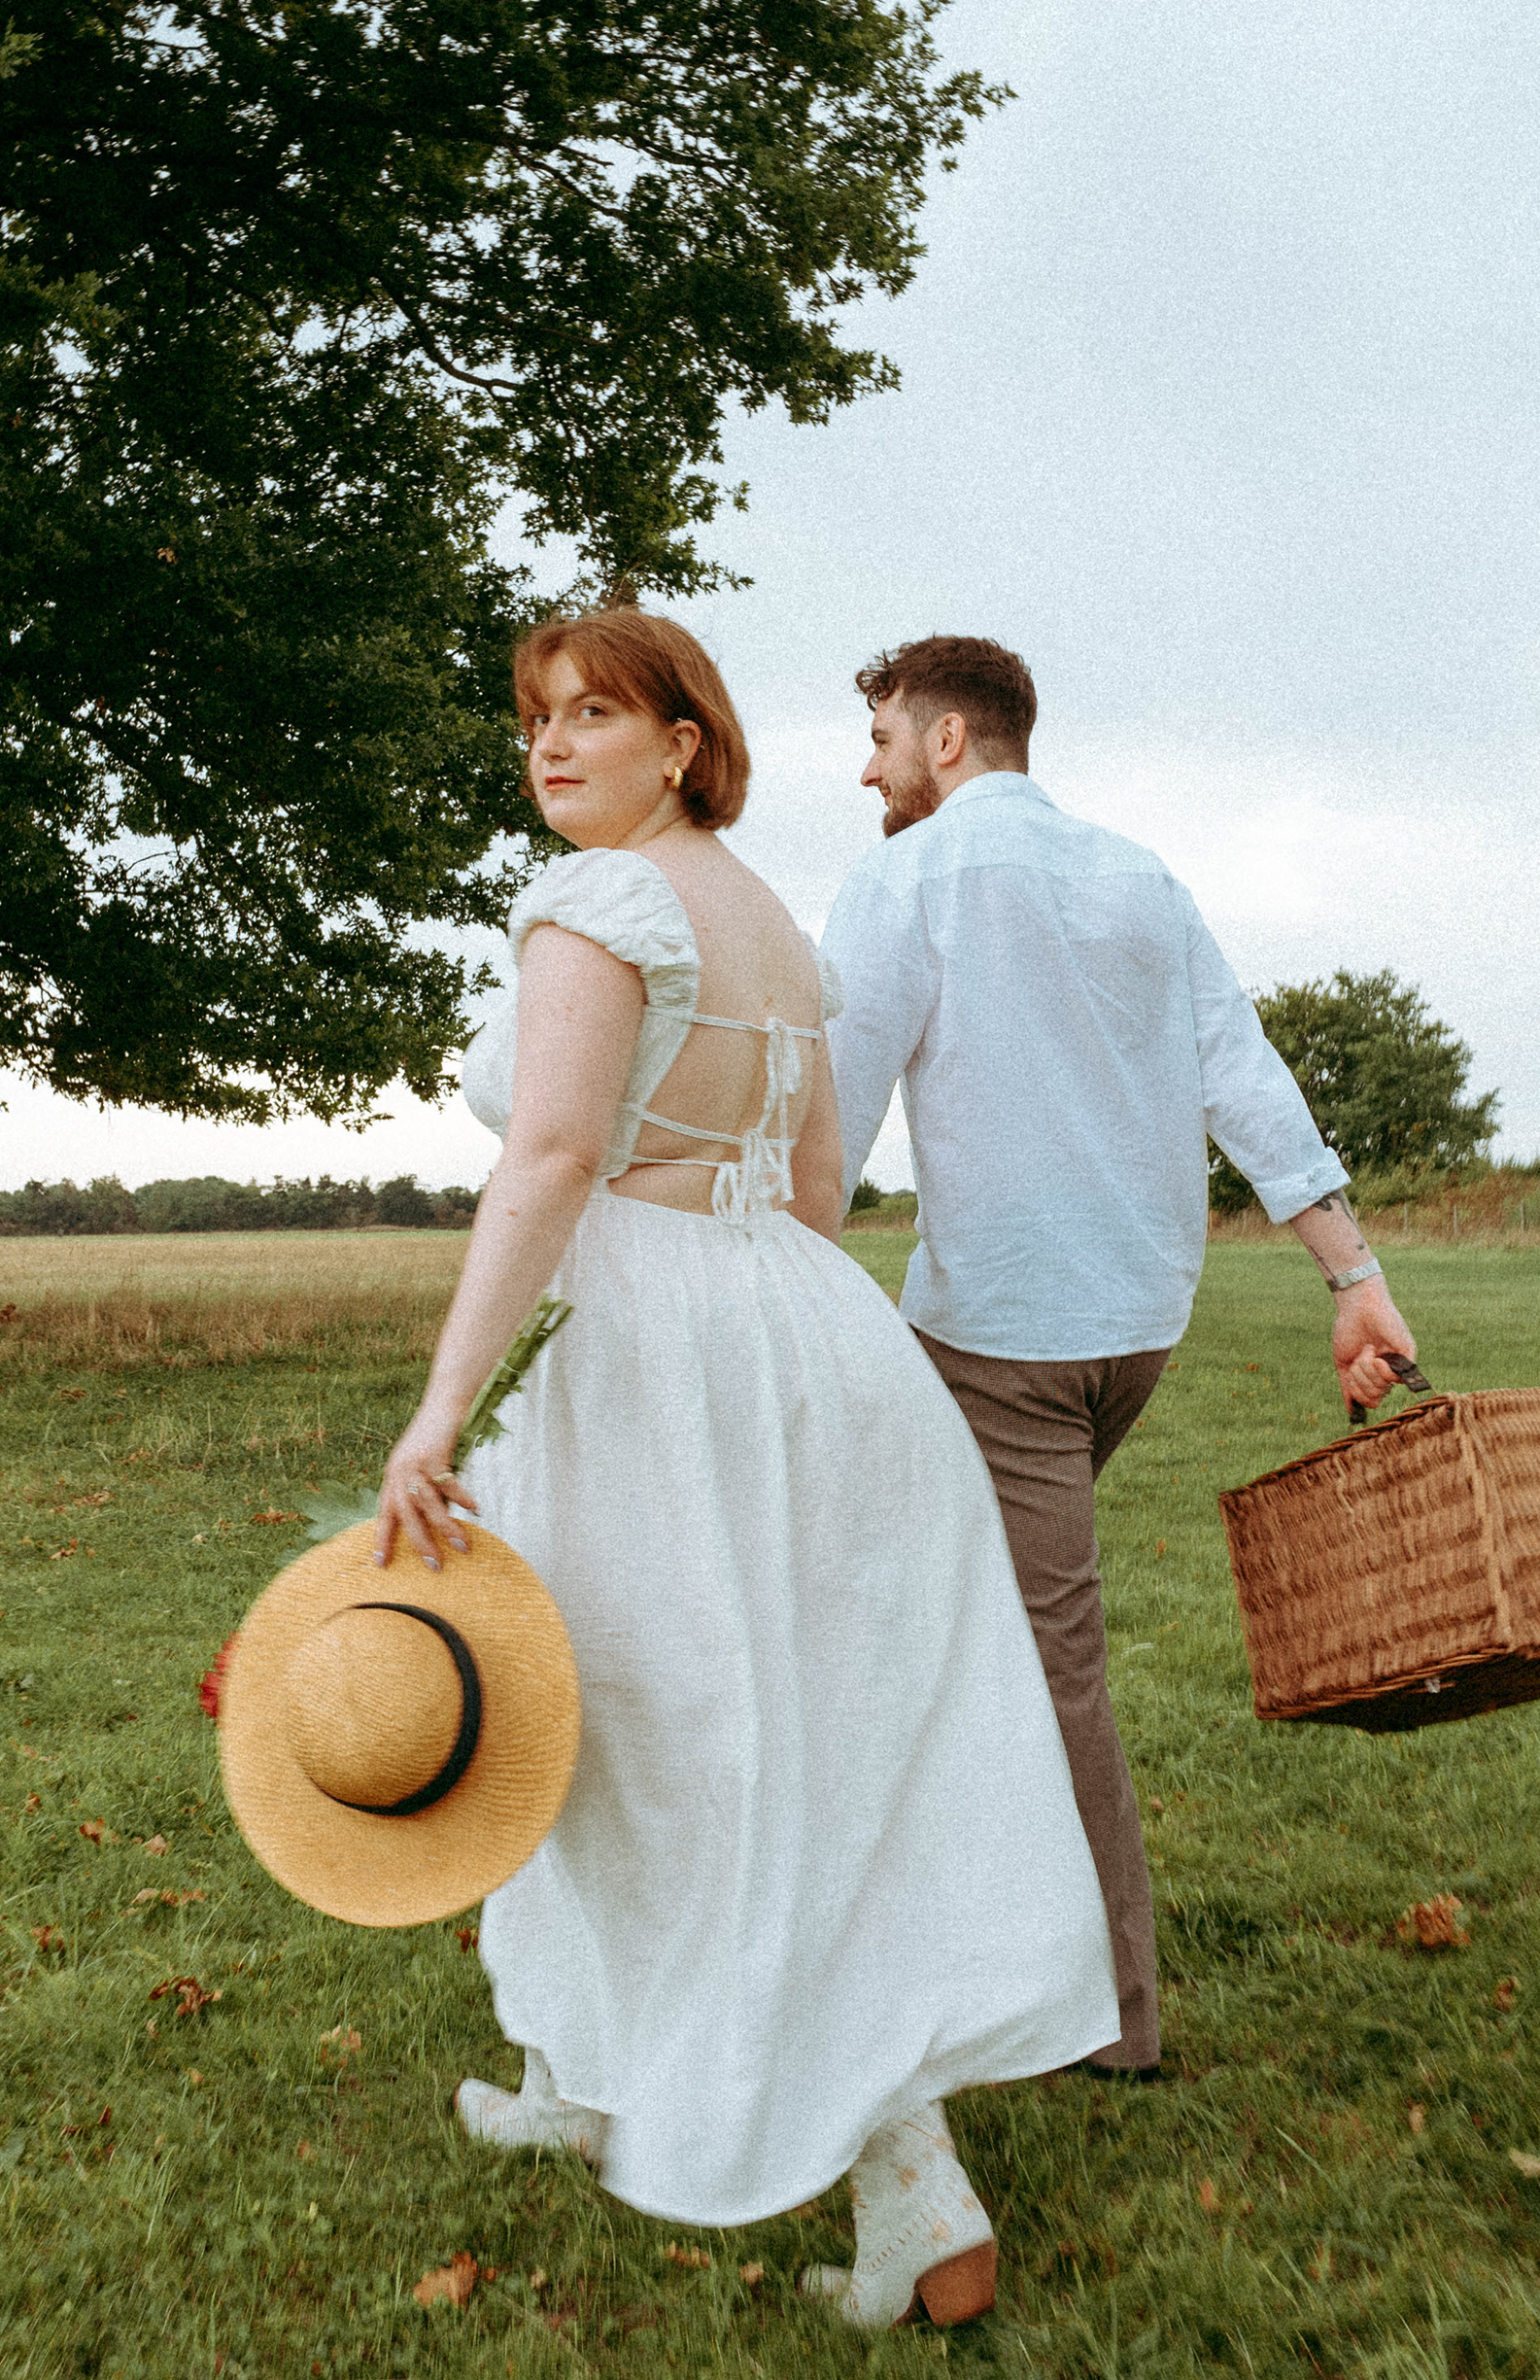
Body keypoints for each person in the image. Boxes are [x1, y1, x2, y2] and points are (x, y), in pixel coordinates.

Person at [372, 605, 1116, 2328]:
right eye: (537, 720)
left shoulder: (600, 903)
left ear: (682, 743)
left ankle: (902, 2174)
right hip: (807, 1336)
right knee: (705, 1716)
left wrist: (441, 1409)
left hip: (656, 1348)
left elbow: (550, 1156)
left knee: (664, 1735)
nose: (554, 747)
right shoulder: (775, 923)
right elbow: (815, 1188)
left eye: (596, 718)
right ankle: (582, 2059)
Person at [821, 634, 1425, 2076]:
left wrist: (762, 1280)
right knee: (946, 1625)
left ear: (952, 741)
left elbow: (826, 1120)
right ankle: (968, 1942)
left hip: (1000, 1343)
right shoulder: (1141, 879)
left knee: (1038, 1656)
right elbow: (1246, 1075)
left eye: (886, 739)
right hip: (1138, 1329)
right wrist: (1357, 1274)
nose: (870, 768)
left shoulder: (906, 881)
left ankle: (1112, 2019)